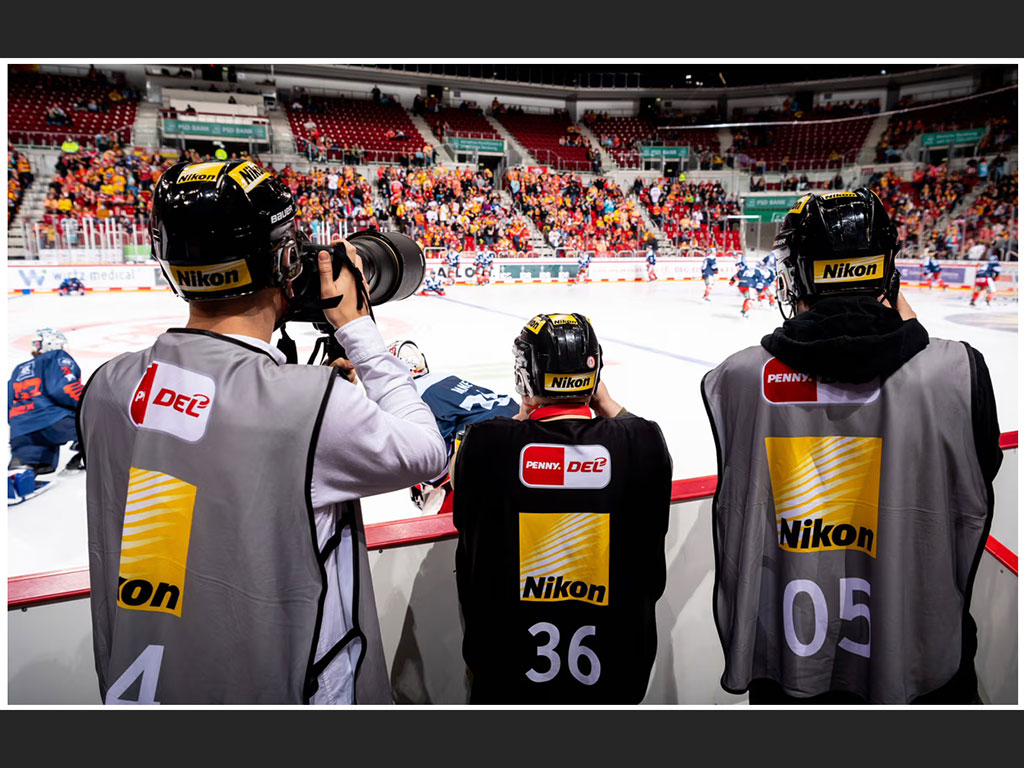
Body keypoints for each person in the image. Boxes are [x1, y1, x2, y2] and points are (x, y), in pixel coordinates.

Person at [78, 159, 447, 705]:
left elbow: (208, 453)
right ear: (285, 260)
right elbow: (427, 452)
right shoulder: (308, 404)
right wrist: (360, 334)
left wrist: (306, 399)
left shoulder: (107, 388)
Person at [702, 188, 1001, 704]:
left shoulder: (738, 378)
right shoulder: (957, 372)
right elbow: (979, 473)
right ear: (887, 271)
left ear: (796, 273)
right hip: (923, 666)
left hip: (791, 666)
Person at [451, 313, 672, 703]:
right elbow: (636, 430)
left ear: (525, 375)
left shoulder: (488, 444)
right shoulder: (642, 441)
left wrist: (526, 411)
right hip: (618, 671)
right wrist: (603, 401)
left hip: (507, 673)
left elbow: (463, 489)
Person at [386, 339, 519, 513]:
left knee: (440, 493)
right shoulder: (442, 377)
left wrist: (424, 483)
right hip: (517, 424)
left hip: (491, 447)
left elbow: (435, 466)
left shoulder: (413, 396)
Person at [8, 328, 84, 474]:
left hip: (22, 431)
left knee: (32, 469)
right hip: (52, 422)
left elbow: (8, 404)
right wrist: (87, 403)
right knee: (99, 419)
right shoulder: (56, 357)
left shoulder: (19, 369)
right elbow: (63, 388)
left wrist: (18, 428)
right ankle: (86, 454)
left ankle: (22, 466)